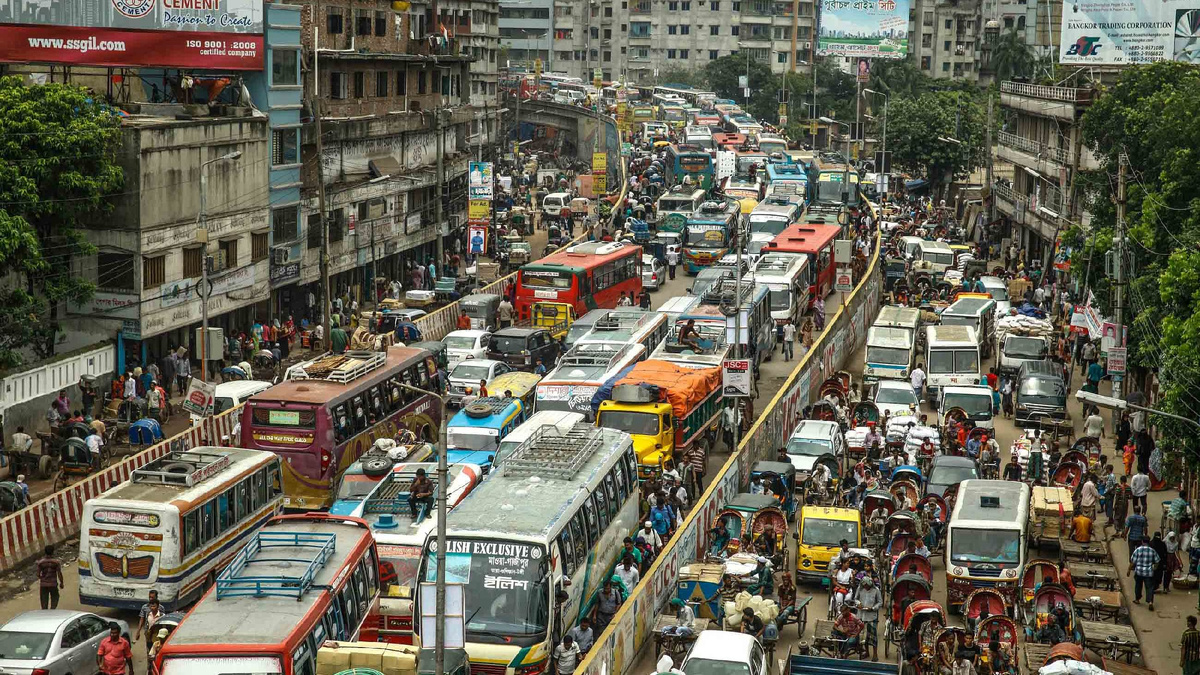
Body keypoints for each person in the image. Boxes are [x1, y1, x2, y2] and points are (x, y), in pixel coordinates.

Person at [1129, 537, 1160, 610]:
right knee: (1149, 587)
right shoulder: (1152, 551)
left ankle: (1137, 599)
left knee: (1138, 586)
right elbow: (1157, 561)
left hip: (1139, 572)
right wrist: (1154, 568)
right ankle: (1150, 602)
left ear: (1142, 541)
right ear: (1149, 542)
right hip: (1148, 572)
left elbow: (1133, 561)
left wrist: (1129, 570)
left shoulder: (1138, 550)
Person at [856, 576, 882, 661]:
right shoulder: (860, 589)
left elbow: (880, 602)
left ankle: (875, 654)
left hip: (871, 616)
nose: (866, 587)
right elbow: (856, 599)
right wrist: (858, 603)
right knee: (863, 636)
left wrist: (873, 608)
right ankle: (866, 652)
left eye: (867, 586)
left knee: (873, 636)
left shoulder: (876, 590)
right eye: (864, 586)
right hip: (861, 615)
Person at [36, 544, 63, 609]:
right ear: (53, 552)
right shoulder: (56, 562)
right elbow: (59, 573)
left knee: (44, 602)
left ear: (45, 552)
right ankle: (52, 610)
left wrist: (42, 579)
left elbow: (38, 574)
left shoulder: (41, 562)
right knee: (55, 597)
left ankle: (45, 613)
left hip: (43, 585)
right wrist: (61, 583)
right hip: (53, 584)